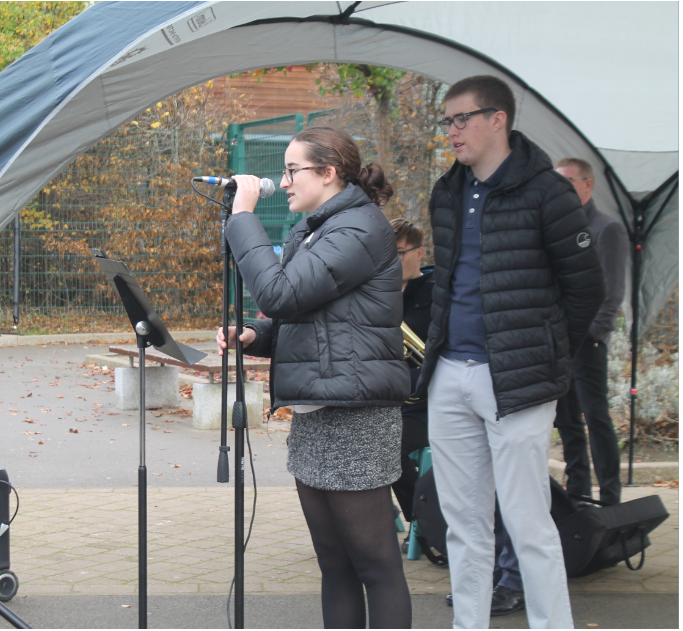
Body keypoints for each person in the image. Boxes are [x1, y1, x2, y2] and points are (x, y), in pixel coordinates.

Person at [415, 75, 605, 629]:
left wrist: (544, 351)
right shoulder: (445, 192)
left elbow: (585, 287)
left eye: (461, 119)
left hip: (519, 379)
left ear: (498, 119)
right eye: (446, 121)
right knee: (463, 524)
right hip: (450, 373)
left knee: (528, 522)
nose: (451, 131)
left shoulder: (548, 191)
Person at [216, 126, 412, 629]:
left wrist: (242, 219)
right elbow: (304, 319)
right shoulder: (316, 228)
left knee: (375, 564)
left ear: (328, 174)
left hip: (357, 414)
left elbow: (280, 293)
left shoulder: (360, 229)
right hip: (319, 412)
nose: (282, 182)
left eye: (292, 170)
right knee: (334, 563)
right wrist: (255, 337)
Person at [554, 157, 629, 506]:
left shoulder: (606, 229)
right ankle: (577, 492)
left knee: (595, 418)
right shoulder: (558, 228)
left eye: (569, 181)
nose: (562, 188)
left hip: (587, 344)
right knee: (566, 420)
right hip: (558, 342)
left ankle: (610, 497)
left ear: (587, 185)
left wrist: (593, 334)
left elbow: (612, 292)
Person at [389, 218, 433, 535]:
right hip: (385, 400)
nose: (393, 262)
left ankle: (424, 523)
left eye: (400, 254)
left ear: (420, 252)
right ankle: (375, 514)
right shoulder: (378, 293)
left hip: (426, 405)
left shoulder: (438, 294)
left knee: (389, 447)